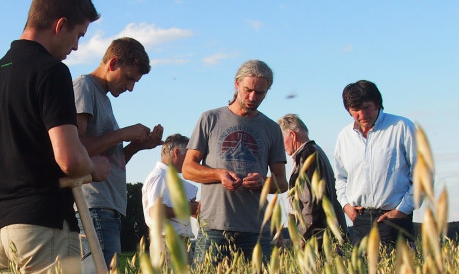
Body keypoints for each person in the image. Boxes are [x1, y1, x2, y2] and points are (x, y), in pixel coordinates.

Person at [0, 0, 110, 274]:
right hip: (41, 226)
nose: (75, 47)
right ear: (60, 25)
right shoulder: (50, 72)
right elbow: (69, 158)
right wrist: (94, 167)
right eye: (78, 36)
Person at [74, 37, 163, 274]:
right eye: (129, 78)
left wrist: (136, 147)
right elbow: (75, 147)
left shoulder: (102, 98)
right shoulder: (84, 87)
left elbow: (108, 159)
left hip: (107, 207)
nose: (131, 87)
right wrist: (124, 132)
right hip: (94, 205)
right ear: (112, 63)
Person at [183, 60, 288, 262]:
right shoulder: (209, 119)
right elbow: (188, 169)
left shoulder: (271, 129)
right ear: (236, 84)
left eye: (260, 93)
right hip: (214, 227)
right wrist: (218, 174)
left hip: (256, 230)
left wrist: (262, 183)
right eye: (248, 90)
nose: (252, 97)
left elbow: (282, 183)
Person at [331, 80, 417, 248]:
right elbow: (341, 178)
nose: (362, 114)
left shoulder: (402, 127)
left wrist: (402, 210)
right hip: (360, 221)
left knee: (401, 273)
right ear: (348, 111)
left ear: (378, 103)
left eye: (366, 107)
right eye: (355, 110)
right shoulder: (344, 136)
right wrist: (346, 206)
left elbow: (422, 174)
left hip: (395, 220)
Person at [277, 114, 345, 242]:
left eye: (281, 140)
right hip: (325, 233)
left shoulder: (308, 156)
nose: (281, 147)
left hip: (318, 237)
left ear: (292, 135)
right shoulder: (315, 151)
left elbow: (313, 201)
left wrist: (302, 235)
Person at [142, 134, 199, 242]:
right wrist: (186, 208)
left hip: (177, 241)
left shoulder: (167, 178)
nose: (190, 162)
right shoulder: (159, 176)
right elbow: (155, 211)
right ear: (177, 153)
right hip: (167, 242)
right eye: (188, 156)